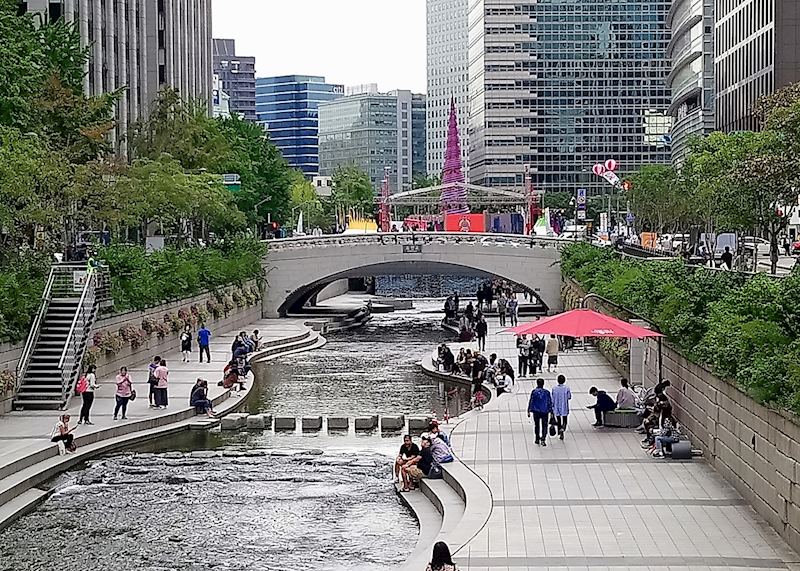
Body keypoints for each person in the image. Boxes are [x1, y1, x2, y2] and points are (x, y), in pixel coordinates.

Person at [527, 378, 553, 446]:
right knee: (545, 425)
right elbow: (549, 402)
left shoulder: (534, 392)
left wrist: (529, 410)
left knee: (537, 425)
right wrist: (551, 411)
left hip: (536, 411)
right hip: (545, 411)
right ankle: (543, 439)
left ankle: (537, 438)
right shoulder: (547, 392)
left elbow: (531, 401)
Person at [551, 374, 572, 440]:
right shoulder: (567, 388)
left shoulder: (554, 388)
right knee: (565, 419)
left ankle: (559, 431)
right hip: (564, 406)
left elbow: (552, 398)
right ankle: (563, 428)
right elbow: (569, 397)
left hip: (556, 406)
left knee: (558, 420)